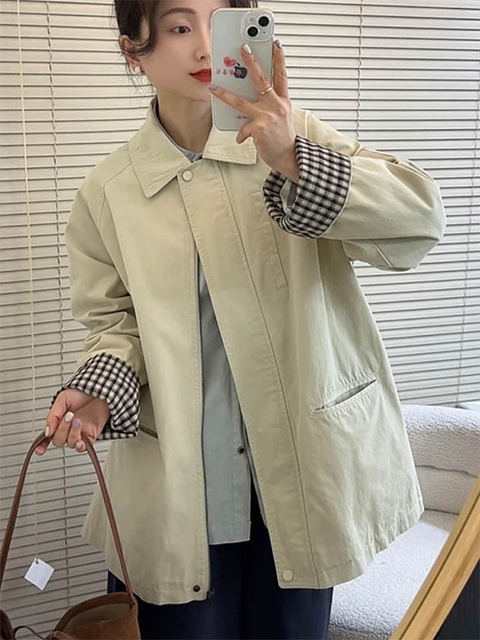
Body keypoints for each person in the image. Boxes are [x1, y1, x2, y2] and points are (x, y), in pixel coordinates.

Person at [35, 0, 446, 638]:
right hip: (182, 487)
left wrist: (295, 159)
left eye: (221, 20)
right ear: (132, 50)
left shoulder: (292, 137)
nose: (206, 47)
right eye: (178, 27)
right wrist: (98, 390)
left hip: (301, 475)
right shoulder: (109, 192)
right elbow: (114, 322)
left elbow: (420, 221)